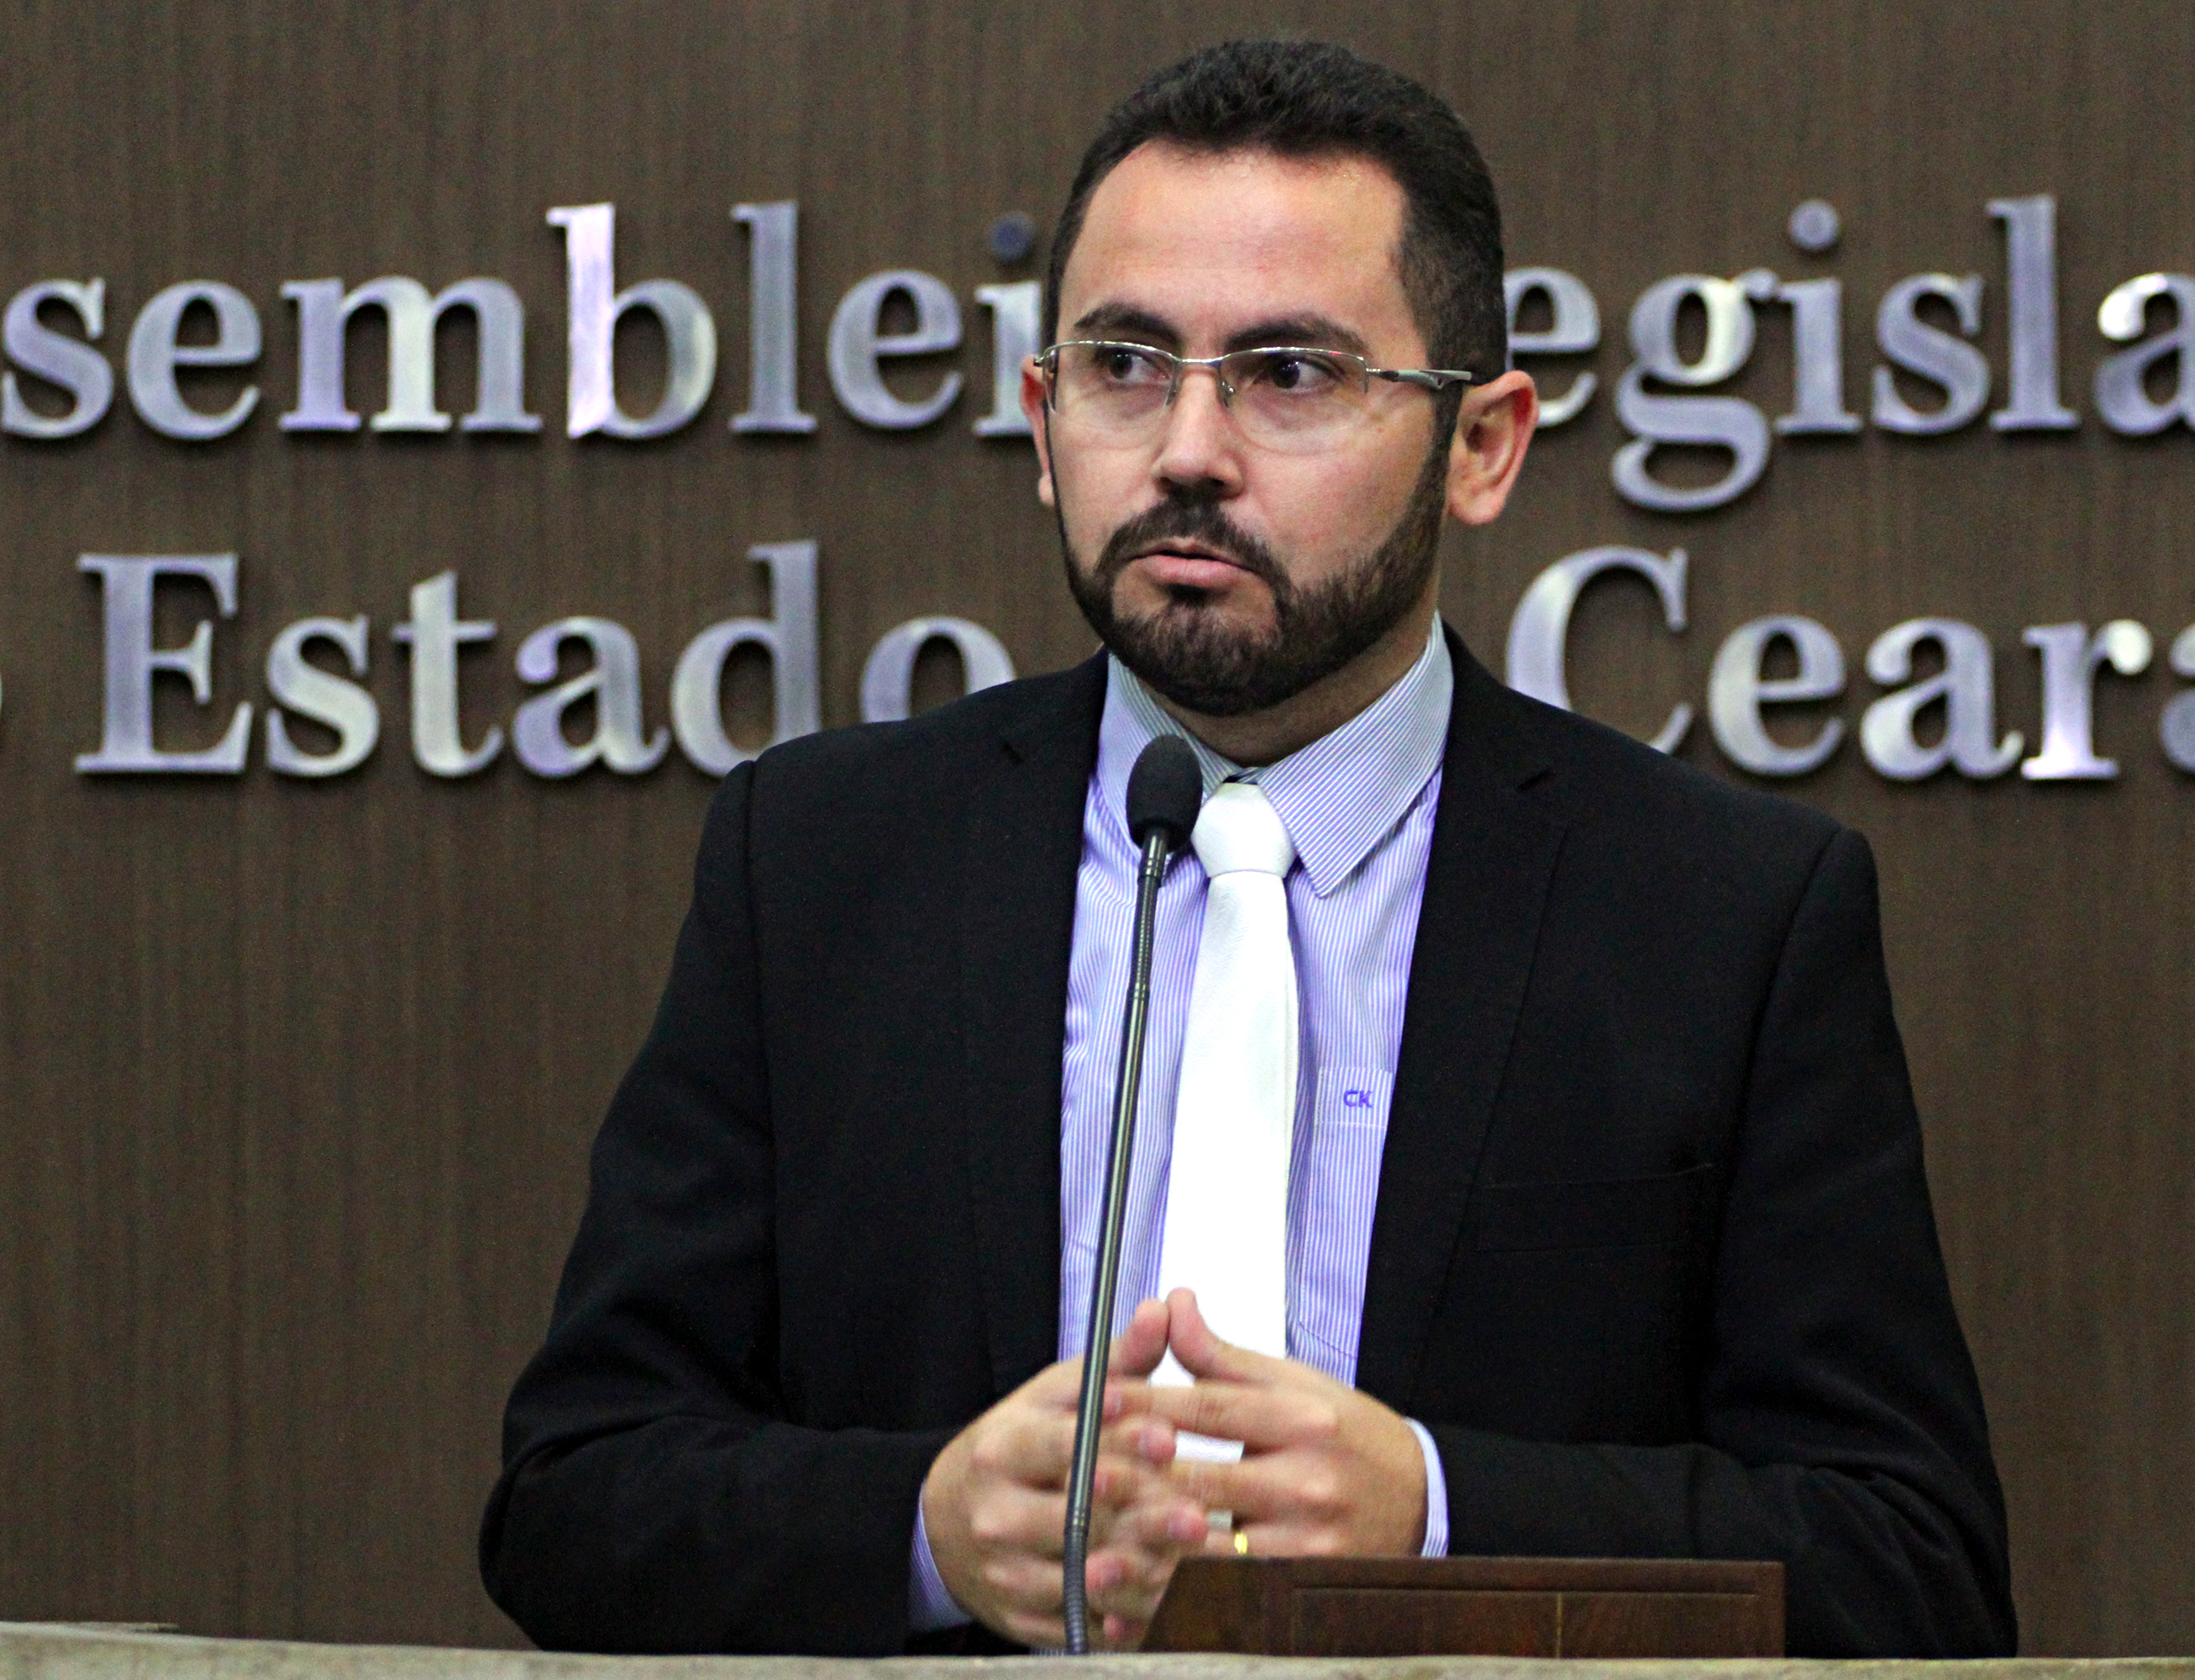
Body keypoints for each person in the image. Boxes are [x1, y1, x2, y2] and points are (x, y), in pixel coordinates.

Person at [480, 39, 2014, 1660]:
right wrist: (921, 1529)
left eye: (1289, 374)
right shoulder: (819, 865)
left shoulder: (1726, 916)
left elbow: (1911, 1568)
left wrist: (1439, 1514)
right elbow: (575, 1498)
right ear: (1042, 415)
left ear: (1482, 445)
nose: (1189, 449)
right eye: (1127, 364)